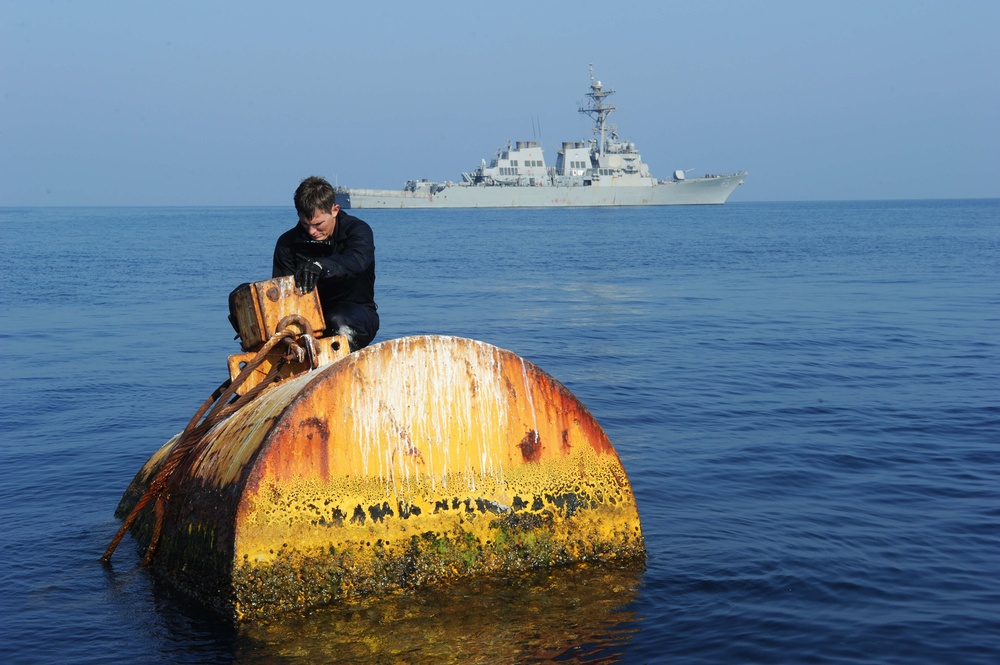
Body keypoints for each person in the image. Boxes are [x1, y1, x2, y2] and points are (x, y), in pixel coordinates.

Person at [272, 176, 378, 351]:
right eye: (305, 224)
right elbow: (283, 288)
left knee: (338, 319)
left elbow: (357, 260)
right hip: (307, 316)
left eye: (318, 224)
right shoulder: (287, 243)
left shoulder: (358, 231)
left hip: (356, 312)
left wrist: (321, 266)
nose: (312, 232)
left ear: (334, 210)